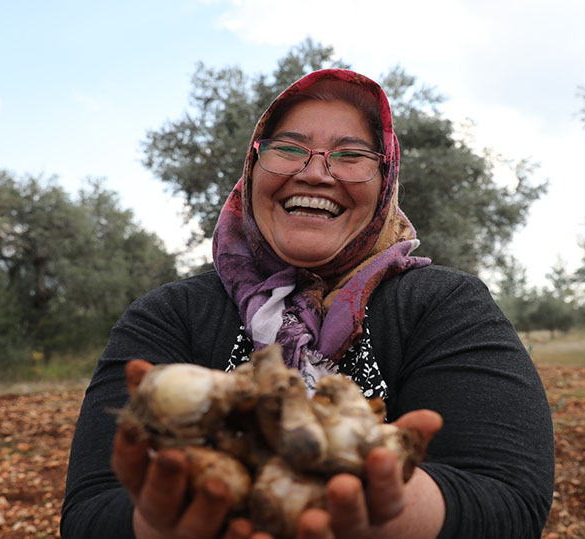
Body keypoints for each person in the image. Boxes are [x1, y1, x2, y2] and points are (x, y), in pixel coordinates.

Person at [61, 68, 554, 538]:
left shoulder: (444, 305)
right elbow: (89, 511)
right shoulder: (170, 314)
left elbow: (510, 501)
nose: (315, 173)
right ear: (253, 169)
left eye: (352, 156)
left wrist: (394, 514)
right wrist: (157, 523)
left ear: (386, 184)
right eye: (289, 148)